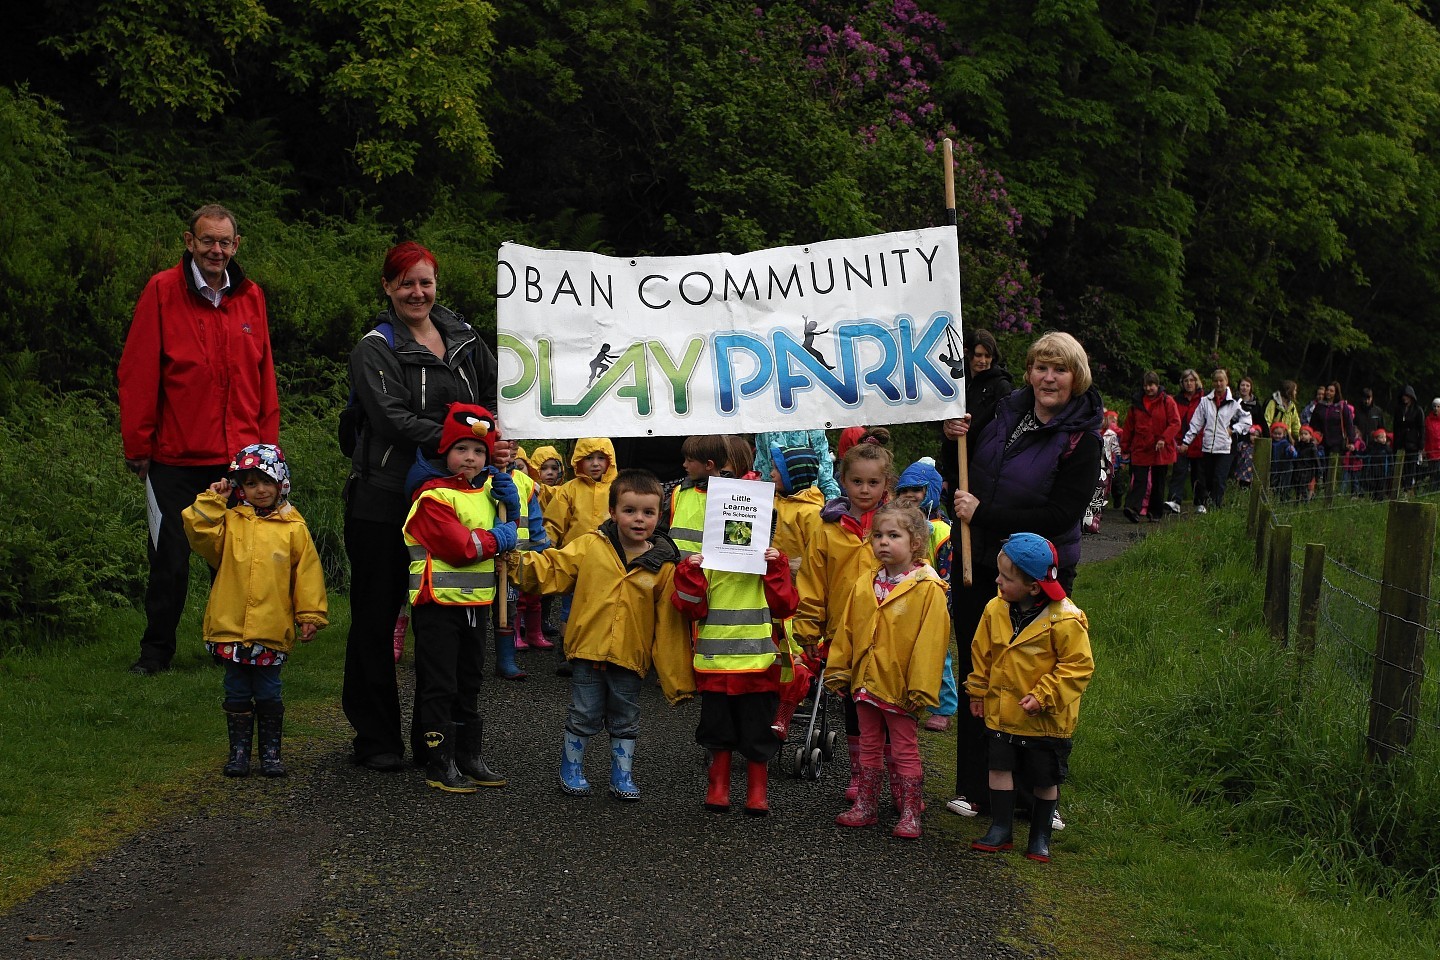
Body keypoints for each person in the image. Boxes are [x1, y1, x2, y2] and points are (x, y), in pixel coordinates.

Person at [341, 241, 500, 773]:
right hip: (383, 497)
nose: (417, 292)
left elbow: (496, 402)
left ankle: (444, 743)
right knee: (375, 616)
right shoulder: (374, 347)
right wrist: (469, 440)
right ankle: (376, 738)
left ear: (437, 285)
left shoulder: (465, 338)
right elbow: (392, 419)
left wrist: (496, 444)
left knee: (450, 619)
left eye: (425, 282)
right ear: (387, 287)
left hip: (458, 502)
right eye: (405, 282)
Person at [943, 330, 1102, 820]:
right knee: (981, 672)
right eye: (1040, 367)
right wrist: (951, 440)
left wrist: (985, 512)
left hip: (1038, 575)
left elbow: (1061, 513)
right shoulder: (1002, 410)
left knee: (1037, 679)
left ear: (1076, 378)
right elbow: (960, 469)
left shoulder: (1084, 438)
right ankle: (976, 788)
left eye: (1059, 369)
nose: (1048, 377)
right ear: (1029, 371)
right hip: (981, 565)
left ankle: (1039, 798)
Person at [119, 204, 280, 676]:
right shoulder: (162, 291)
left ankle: (228, 647)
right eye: (207, 240)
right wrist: (139, 446)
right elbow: (139, 371)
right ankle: (155, 653)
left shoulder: (251, 296)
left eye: (225, 242)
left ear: (236, 246)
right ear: (189, 242)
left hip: (238, 459)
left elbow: (264, 376)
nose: (216, 250)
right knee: (169, 560)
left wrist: (266, 452)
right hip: (174, 455)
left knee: (235, 562)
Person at [513, 469, 694, 800]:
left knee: (626, 718)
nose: (639, 519)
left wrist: (675, 676)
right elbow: (553, 568)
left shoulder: (663, 566)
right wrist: (515, 564)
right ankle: (572, 768)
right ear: (613, 512)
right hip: (588, 651)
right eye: (629, 510)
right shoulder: (590, 546)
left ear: (659, 515)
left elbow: (670, 624)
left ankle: (621, 775)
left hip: (630, 655)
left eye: (648, 512)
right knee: (583, 713)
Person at [181, 444, 327, 778]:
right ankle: (239, 754)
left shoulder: (294, 528)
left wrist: (309, 615)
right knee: (235, 690)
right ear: (240, 488)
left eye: (267, 482)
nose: (260, 490)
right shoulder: (230, 522)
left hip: (271, 628)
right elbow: (198, 532)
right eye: (250, 483)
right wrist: (213, 499)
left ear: (281, 483)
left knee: (268, 691)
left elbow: (307, 575)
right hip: (230, 625)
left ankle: (271, 755)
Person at [670, 440, 799, 817]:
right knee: (718, 730)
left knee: (757, 731)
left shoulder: (767, 562)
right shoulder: (707, 561)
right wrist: (690, 573)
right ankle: (719, 785)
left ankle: (757, 791)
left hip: (757, 667)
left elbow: (785, 606)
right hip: (714, 668)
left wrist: (776, 567)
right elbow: (690, 608)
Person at [401, 404, 517, 792]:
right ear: (445, 452)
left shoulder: (488, 491)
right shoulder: (431, 496)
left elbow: (508, 531)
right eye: (462, 449)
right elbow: (459, 547)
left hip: (475, 604)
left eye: (479, 451)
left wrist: (512, 509)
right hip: (436, 605)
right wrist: (500, 536)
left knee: (470, 680)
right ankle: (439, 762)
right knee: (440, 683)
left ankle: (468, 756)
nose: (471, 458)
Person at [826, 503, 951, 839]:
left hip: (901, 685)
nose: (883, 542)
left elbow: (931, 643)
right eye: (878, 535)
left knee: (904, 747)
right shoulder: (865, 584)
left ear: (915, 542)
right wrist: (840, 670)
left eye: (893, 535)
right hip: (866, 679)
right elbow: (847, 630)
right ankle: (866, 804)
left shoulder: (928, 588)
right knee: (868, 744)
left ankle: (911, 811)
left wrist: (921, 688)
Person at [967, 533, 1093, 863]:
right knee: (999, 767)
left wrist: (1044, 695)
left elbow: (1078, 666)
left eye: (1006, 577)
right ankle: (1001, 828)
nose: (997, 581)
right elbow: (982, 654)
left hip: (1046, 720)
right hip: (1003, 712)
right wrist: (978, 691)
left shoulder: (1065, 619)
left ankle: (1040, 836)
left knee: (1044, 778)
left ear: (1034, 587)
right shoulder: (995, 608)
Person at [794, 440, 892, 802]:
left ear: (886, 485)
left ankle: (896, 780)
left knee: (892, 708)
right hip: (846, 636)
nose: (864, 490)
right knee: (855, 706)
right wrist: (807, 629)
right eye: (856, 482)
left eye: (873, 483)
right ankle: (861, 777)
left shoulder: (897, 527)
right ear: (843, 481)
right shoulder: (827, 529)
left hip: (891, 636)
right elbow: (813, 583)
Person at [893, 458, 957, 733]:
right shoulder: (898, 523)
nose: (910, 496)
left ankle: (944, 707)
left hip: (933, 598)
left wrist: (944, 601)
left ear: (930, 491)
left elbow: (947, 569)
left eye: (917, 490)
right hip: (903, 596)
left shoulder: (942, 531)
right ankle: (908, 698)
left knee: (937, 654)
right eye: (904, 490)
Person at [939, 329, 1013, 495]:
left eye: (987, 356)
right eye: (979, 355)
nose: (983, 361)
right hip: (955, 465)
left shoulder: (1001, 386)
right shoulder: (956, 381)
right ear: (968, 353)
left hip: (985, 466)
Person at [1179, 368, 1251, 513]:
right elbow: (1196, 423)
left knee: (1219, 478)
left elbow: (1247, 420)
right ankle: (1207, 504)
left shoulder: (1235, 402)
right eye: (1216, 381)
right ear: (1212, 383)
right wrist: (1186, 442)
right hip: (1208, 447)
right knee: (1208, 478)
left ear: (1226, 382)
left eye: (1221, 381)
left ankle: (1215, 508)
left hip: (1225, 447)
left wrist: (1233, 429)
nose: (1218, 384)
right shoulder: (1205, 401)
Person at [1121, 371, 1180, 522]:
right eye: (1146, 385)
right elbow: (1129, 428)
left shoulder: (1167, 401)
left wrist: (1164, 439)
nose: (1148, 388)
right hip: (1141, 446)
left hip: (1160, 448)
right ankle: (1132, 508)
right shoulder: (1136, 404)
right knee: (1139, 479)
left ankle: (1155, 513)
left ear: (1157, 385)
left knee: (1158, 481)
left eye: (1151, 385)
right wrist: (1125, 449)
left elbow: (1175, 423)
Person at [753, 429, 842, 500]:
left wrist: (831, 502)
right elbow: (769, 466)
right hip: (774, 500)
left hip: (809, 499)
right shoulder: (766, 424)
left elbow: (823, 465)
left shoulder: (814, 425)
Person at [1164, 370, 1204, 513]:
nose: (1189, 383)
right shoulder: (1176, 399)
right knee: (1179, 471)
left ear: (1196, 382)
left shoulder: (1203, 399)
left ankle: (1200, 502)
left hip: (1198, 442)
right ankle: (1175, 500)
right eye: (1186, 381)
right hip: (1180, 442)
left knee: (1198, 474)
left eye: (1191, 381)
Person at [1352, 389, 1387, 496]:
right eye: (1365, 398)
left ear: (1372, 398)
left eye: (1369, 398)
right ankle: (1359, 492)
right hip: (1361, 444)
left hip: (1374, 446)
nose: (1367, 401)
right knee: (1359, 469)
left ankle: (1374, 492)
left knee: (1373, 470)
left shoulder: (1377, 411)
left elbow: (1382, 427)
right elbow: (1353, 426)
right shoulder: (1357, 411)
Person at [1233, 376, 1266, 487]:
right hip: (1234, 437)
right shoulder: (1233, 401)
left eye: (1247, 385)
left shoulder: (1256, 404)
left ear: (1251, 388)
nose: (1245, 388)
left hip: (1251, 440)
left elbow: (1262, 422)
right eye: (1242, 385)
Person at [1394, 386, 1424, 492]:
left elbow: (1421, 428)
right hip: (1400, 443)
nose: (1404, 398)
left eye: (1406, 396)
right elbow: (1395, 426)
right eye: (1403, 396)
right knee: (1400, 468)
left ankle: (1408, 489)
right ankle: (1399, 488)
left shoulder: (1418, 410)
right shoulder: (1398, 409)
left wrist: (1421, 446)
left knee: (1410, 468)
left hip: (1413, 444)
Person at [1426, 400, 1440, 491]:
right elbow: (1425, 435)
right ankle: (1433, 493)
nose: (1436, 408)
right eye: (1434, 406)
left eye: (1438, 406)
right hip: (1431, 452)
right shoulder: (1427, 420)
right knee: (1433, 474)